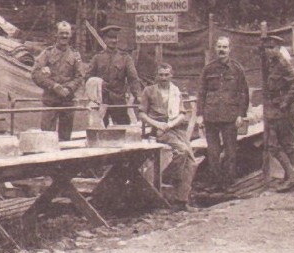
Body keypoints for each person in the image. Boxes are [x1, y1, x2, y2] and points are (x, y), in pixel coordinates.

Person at [138, 63, 198, 211]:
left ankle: (181, 201)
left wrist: (171, 124)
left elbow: (183, 113)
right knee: (183, 151)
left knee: (191, 163)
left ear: (171, 75)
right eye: (161, 75)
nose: (163, 78)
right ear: (157, 76)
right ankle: (168, 177)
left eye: (166, 75)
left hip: (175, 129)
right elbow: (142, 114)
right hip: (158, 130)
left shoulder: (175, 91)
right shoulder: (149, 91)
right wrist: (158, 125)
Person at [197, 36, 250, 190]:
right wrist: (200, 115)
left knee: (230, 152)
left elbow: (243, 93)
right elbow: (201, 92)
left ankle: (228, 184)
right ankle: (215, 183)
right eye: (219, 47)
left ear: (230, 49)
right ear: (215, 49)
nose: (222, 50)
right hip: (211, 115)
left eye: (225, 47)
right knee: (213, 153)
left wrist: (241, 114)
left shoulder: (237, 69)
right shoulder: (208, 69)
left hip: (230, 116)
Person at [262, 34, 294, 193]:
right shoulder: (271, 63)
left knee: (285, 145)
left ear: (279, 48)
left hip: (285, 110)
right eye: (267, 47)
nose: (269, 50)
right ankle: (292, 176)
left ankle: (291, 178)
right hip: (276, 110)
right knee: (274, 145)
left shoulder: (282, 63)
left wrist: (285, 101)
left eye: (272, 47)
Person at [32, 21, 85, 141]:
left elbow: (80, 76)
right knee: (46, 137)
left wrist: (69, 88)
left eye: (67, 33)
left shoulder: (75, 55)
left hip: (67, 101)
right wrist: (54, 86)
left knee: (65, 138)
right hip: (50, 101)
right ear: (56, 34)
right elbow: (35, 73)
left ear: (71, 35)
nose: (64, 36)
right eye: (61, 33)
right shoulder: (47, 53)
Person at [84, 25, 142, 125]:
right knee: (99, 130)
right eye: (110, 38)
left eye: (115, 37)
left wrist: (138, 95)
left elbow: (133, 79)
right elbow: (88, 78)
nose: (114, 40)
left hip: (118, 101)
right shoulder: (97, 58)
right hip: (101, 102)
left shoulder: (125, 58)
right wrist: (98, 84)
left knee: (123, 130)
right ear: (105, 39)